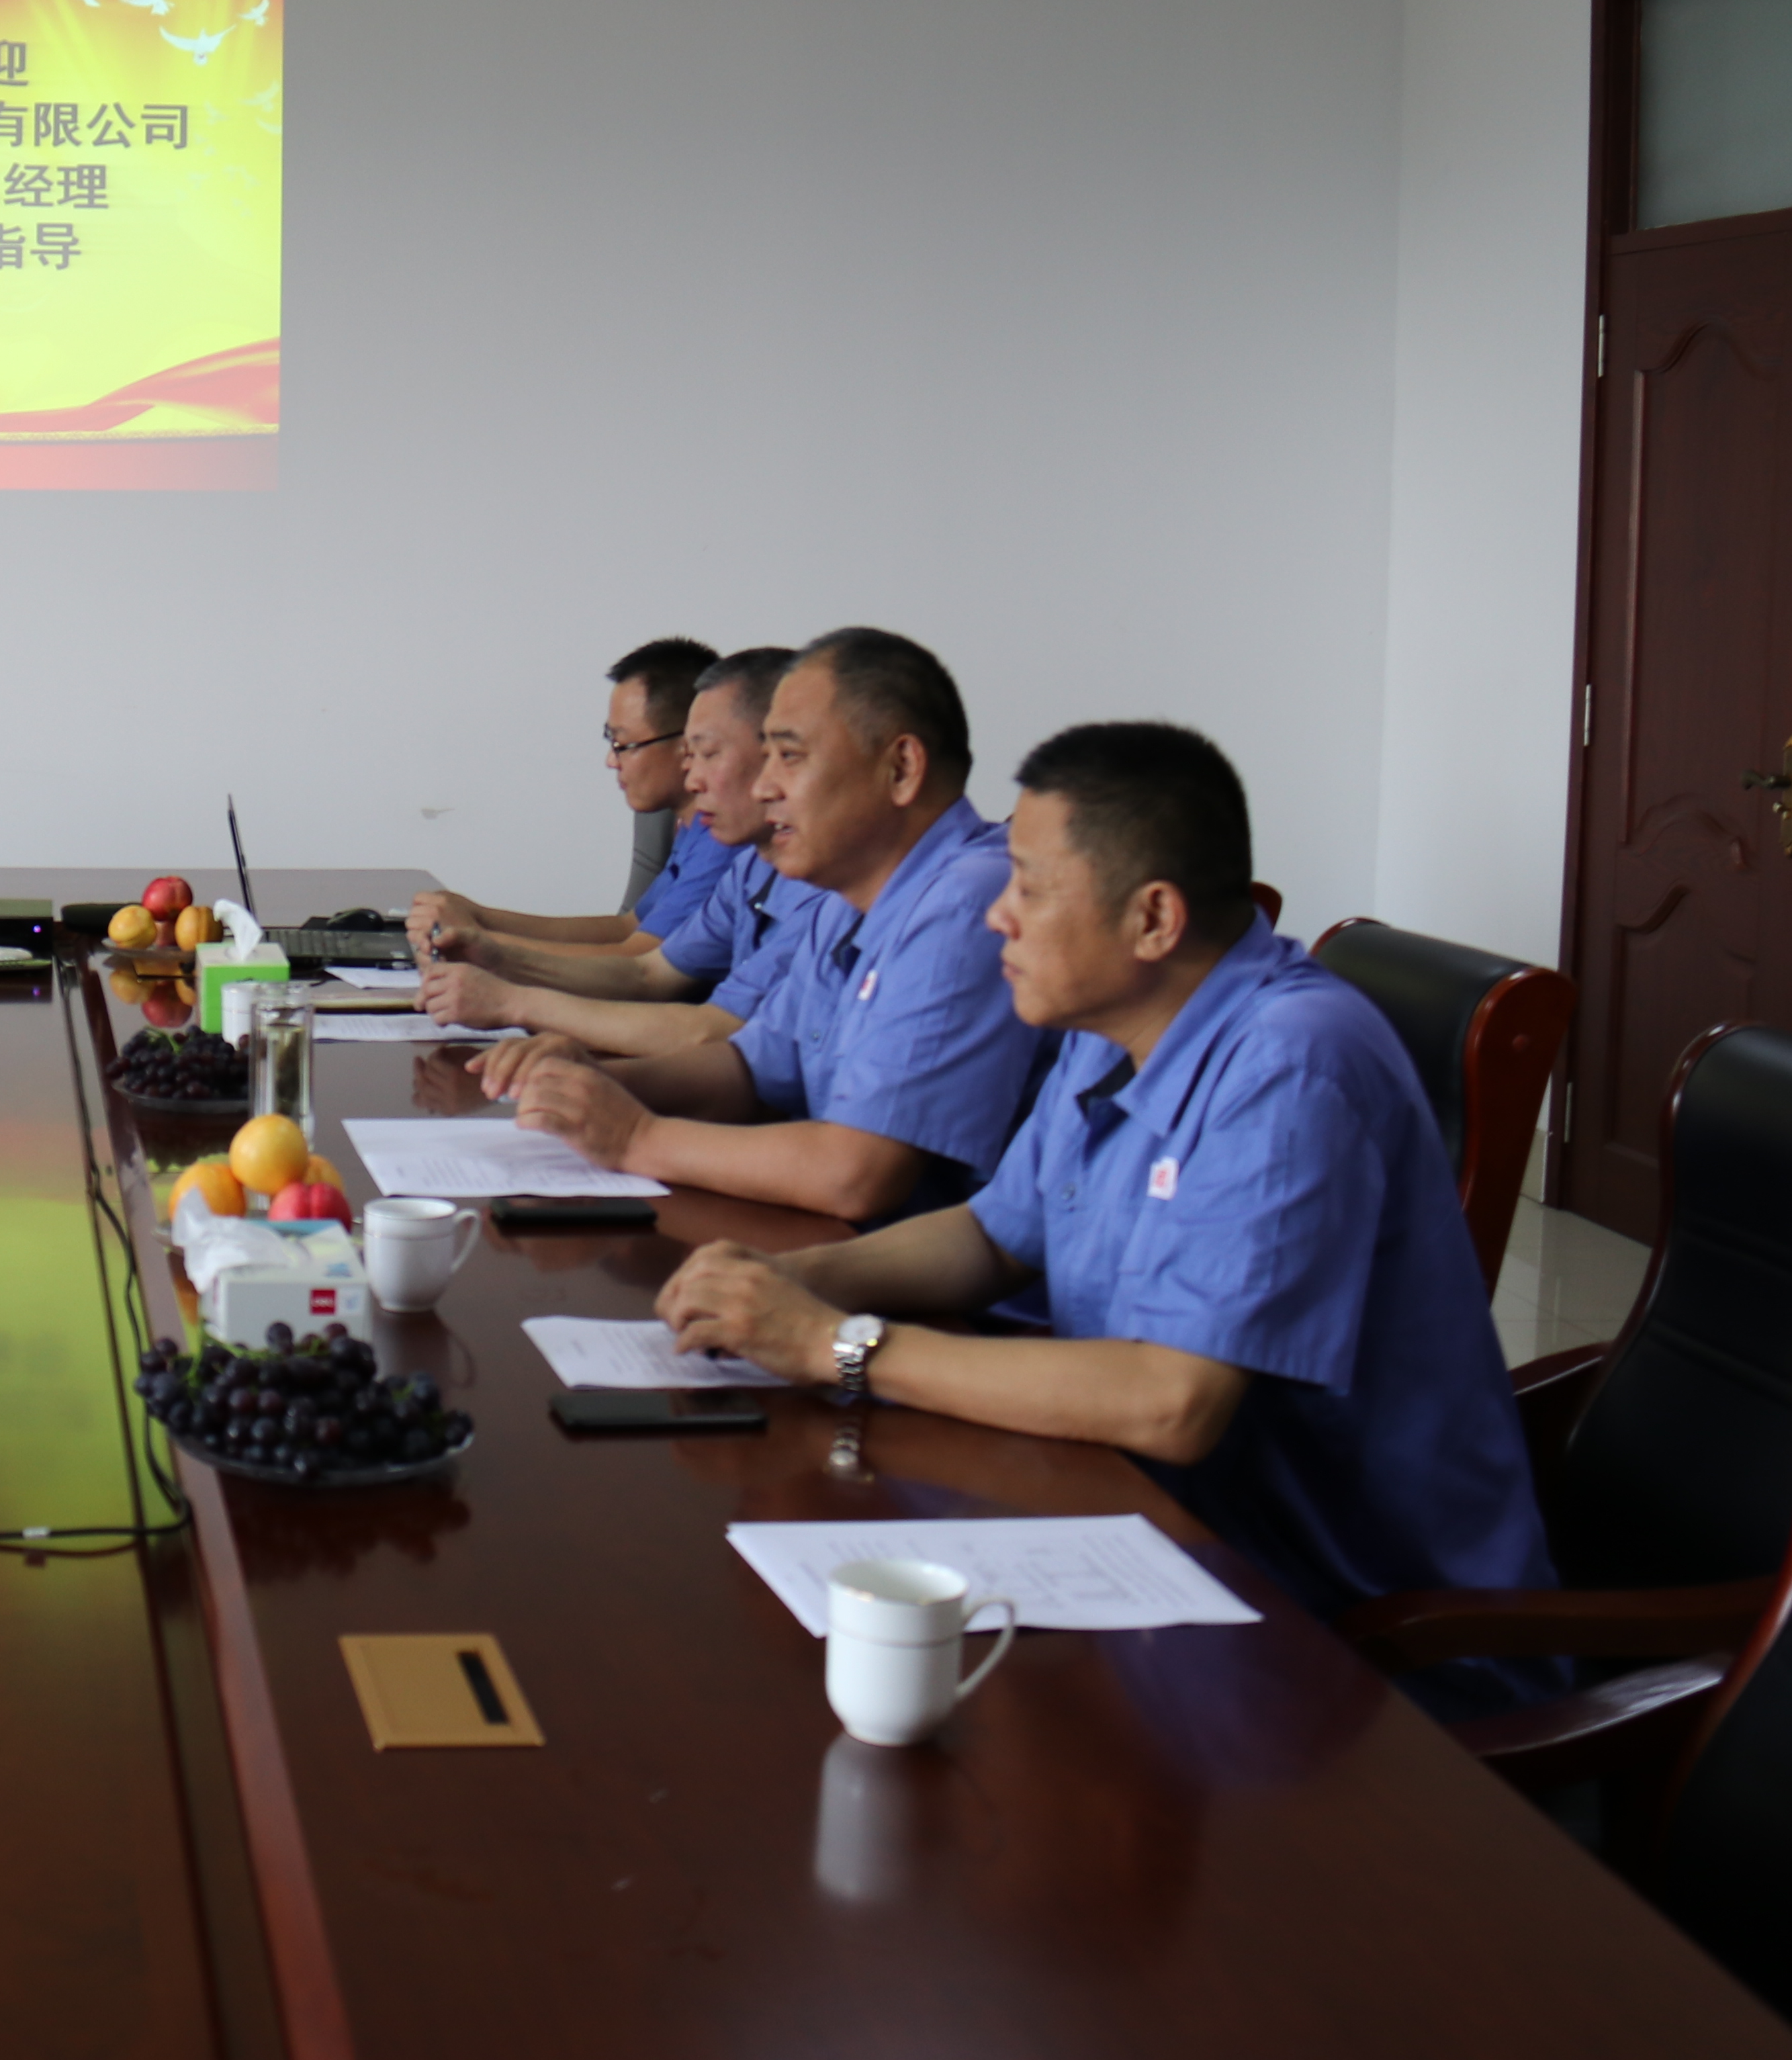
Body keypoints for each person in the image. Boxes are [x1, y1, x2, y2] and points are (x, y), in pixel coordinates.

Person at [655, 722, 1557, 1701]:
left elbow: (1171, 1402)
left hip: (1356, 1640)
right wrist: (789, 1281)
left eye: (1030, 888)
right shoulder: (1114, 1020)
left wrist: (836, 1345)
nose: (997, 916)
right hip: (1152, 1532)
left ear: (1153, 918)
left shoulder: (1292, 1062)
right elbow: (993, 1234)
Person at [496, 628, 1052, 1221]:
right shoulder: (848, 895)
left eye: (790, 757)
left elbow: (857, 1175)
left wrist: (636, 1136)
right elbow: (751, 1066)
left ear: (901, 768)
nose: (765, 787)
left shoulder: (967, 900)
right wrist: (605, 1081)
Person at [419, 645, 824, 1057]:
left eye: (707, 754)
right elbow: (647, 972)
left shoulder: (817, 889)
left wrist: (513, 999)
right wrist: (494, 954)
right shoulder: (750, 867)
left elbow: (712, 1032)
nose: (693, 778)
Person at [406, 637, 723, 967]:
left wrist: (477, 943)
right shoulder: (691, 828)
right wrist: (477, 917)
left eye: (624, 745)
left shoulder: (722, 841)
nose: (611, 761)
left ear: (688, 744)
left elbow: (641, 959)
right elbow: (628, 927)